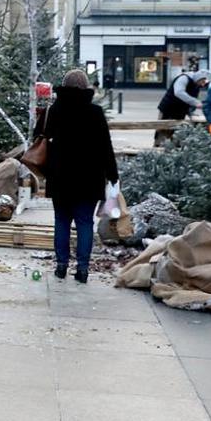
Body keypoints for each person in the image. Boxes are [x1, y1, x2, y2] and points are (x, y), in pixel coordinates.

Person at [40, 68, 119, 283]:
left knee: (61, 220)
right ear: (86, 88)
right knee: (85, 223)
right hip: (89, 178)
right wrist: (113, 174)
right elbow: (106, 146)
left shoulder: (55, 110)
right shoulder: (95, 112)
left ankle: (61, 266)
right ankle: (83, 269)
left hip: (60, 178)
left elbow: (44, 138)